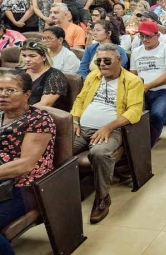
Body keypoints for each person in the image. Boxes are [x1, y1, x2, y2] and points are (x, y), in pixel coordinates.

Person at [71, 43, 143, 223]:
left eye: (106, 60)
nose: (101, 64)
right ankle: (65, 193)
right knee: (57, 148)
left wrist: (108, 127)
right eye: (98, 61)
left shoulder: (133, 81)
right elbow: (80, 100)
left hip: (113, 129)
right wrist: (74, 120)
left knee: (99, 153)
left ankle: (102, 198)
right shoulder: (93, 76)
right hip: (82, 128)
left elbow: (134, 111)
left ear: (119, 60)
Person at [0, 70, 57, 255]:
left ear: (27, 94)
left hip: (23, 186)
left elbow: (25, 165)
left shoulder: (39, 119)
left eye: (10, 90)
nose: (2, 95)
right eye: (0, 90)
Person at [130, 21, 166, 147]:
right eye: (141, 36)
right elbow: (133, 75)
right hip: (141, 91)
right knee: (128, 113)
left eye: (148, 36)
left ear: (157, 35)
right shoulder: (136, 52)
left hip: (165, 91)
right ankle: (131, 145)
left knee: (157, 114)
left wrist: (148, 85)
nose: (144, 39)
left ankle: (145, 147)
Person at [19, 39, 69, 111]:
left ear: (44, 57)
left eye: (32, 56)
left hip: (42, 116)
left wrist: (18, 112)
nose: (27, 59)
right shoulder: (19, 72)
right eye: (24, 55)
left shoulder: (55, 76)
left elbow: (44, 104)